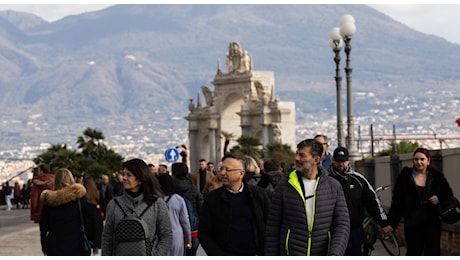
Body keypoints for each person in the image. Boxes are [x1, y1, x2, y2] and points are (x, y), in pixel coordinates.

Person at [264, 139, 350, 256]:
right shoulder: (284, 186)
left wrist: (335, 253)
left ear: (316, 160)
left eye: (302, 155)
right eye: (297, 154)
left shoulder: (333, 187)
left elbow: (342, 224)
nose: (297, 158)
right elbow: (273, 227)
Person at [382, 148, 454, 256]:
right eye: (416, 159)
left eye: (422, 159)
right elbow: (397, 202)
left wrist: (438, 198)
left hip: (432, 222)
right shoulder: (405, 177)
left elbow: (448, 195)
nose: (419, 162)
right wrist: (391, 223)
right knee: (413, 252)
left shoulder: (436, 177)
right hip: (412, 223)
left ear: (428, 161)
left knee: (432, 253)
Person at [199, 153, 270, 256]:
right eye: (221, 169)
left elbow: (270, 225)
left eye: (227, 170)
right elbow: (204, 232)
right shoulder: (213, 198)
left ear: (241, 173)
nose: (222, 173)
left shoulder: (258, 195)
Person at [101, 158, 172, 256]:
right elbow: (107, 239)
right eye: (124, 174)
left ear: (140, 179)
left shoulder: (157, 204)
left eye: (129, 175)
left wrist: (156, 255)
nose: (124, 178)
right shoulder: (113, 205)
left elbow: (166, 235)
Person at [328, 146, 389, 256]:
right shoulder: (325, 180)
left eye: (343, 161)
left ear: (348, 161)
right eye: (338, 161)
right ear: (333, 160)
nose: (340, 164)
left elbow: (373, 202)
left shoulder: (359, 180)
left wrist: (383, 223)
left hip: (354, 230)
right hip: (331, 230)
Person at [39, 168, 89, 256]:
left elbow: (43, 226)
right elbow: (88, 220)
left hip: (55, 246)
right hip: (77, 244)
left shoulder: (49, 201)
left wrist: (44, 245)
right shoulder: (79, 199)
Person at [171, 162, 203, 256]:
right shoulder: (193, 189)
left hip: (175, 232)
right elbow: (201, 209)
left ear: (173, 174)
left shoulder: (169, 191)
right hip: (193, 231)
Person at [157, 173, 192, 256]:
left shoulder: (156, 200)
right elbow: (185, 221)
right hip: (177, 235)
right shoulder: (179, 199)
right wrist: (188, 239)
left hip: (160, 236)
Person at [82, 176, 104, 256]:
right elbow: (103, 204)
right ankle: (95, 252)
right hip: (96, 216)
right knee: (96, 237)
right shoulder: (97, 192)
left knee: (87, 240)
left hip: (87, 217)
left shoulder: (83, 194)